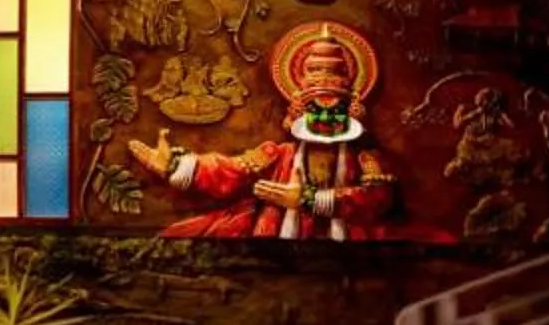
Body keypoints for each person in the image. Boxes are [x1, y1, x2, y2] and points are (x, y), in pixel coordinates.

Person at [125, 22, 397, 241]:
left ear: (350, 112)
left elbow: (378, 198)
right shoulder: (279, 154)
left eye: (334, 110)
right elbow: (231, 172)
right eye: (317, 109)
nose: (325, 118)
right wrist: (175, 166)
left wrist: (309, 199)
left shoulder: (365, 159)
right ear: (300, 111)